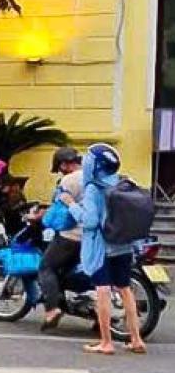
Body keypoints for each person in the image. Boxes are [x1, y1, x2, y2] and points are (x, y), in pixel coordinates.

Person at [69, 143, 147, 355]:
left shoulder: (94, 188)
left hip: (101, 248)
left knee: (102, 290)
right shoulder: (123, 181)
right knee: (125, 289)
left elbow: (91, 221)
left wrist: (72, 206)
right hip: (124, 245)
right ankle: (136, 339)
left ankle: (106, 341)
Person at [39, 146, 83, 330]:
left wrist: (40, 217)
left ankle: (52, 309)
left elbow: (59, 210)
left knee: (46, 267)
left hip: (72, 235)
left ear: (65, 164)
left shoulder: (69, 180)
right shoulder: (94, 176)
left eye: (60, 167)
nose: (60, 171)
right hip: (92, 236)